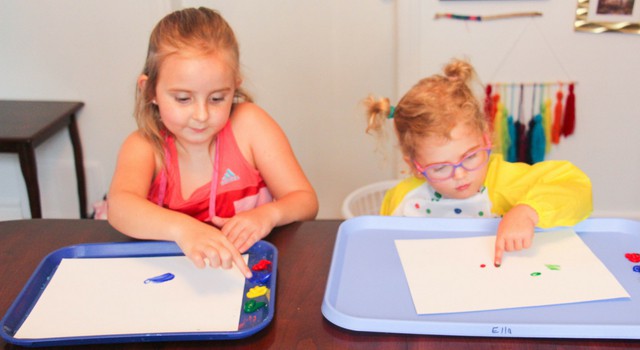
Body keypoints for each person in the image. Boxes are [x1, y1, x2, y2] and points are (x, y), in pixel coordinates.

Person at [108, 7, 318, 278]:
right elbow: (120, 207)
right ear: (150, 90)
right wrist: (186, 230)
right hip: (176, 280)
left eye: (217, 98)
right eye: (183, 99)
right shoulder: (143, 146)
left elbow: (305, 200)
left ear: (234, 86)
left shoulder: (250, 124)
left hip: (251, 273)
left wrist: (267, 215)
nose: (201, 115)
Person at [364, 58, 592, 267]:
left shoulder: (505, 180)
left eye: (471, 156)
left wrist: (528, 212)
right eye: (440, 167)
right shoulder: (401, 199)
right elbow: (384, 251)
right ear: (415, 166)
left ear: (485, 138)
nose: (460, 175)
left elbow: (576, 186)